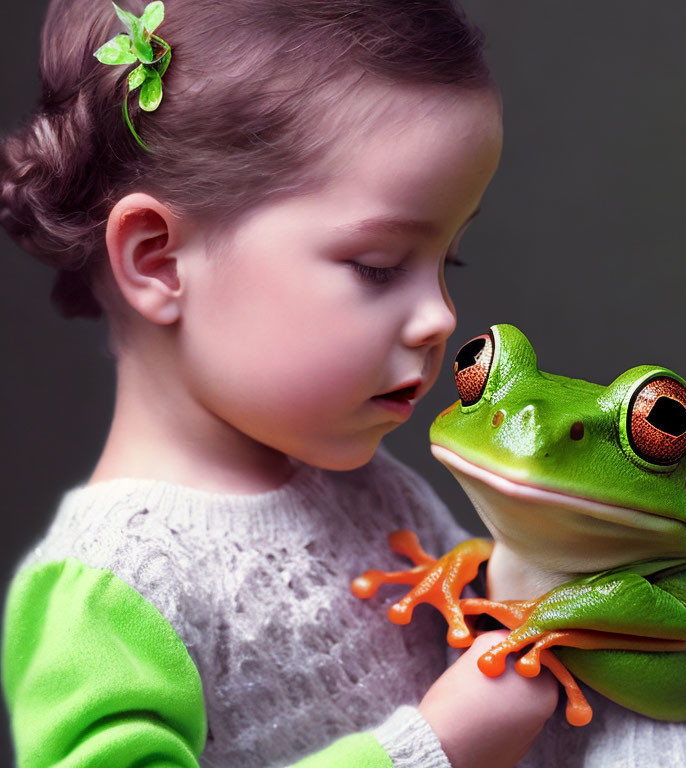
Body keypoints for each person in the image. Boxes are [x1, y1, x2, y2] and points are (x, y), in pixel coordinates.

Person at [0, 1, 559, 767]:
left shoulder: (378, 493)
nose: (438, 316)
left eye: (447, 262)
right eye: (379, 266)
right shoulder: (114, 583)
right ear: (159, 260)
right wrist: (432, 750)